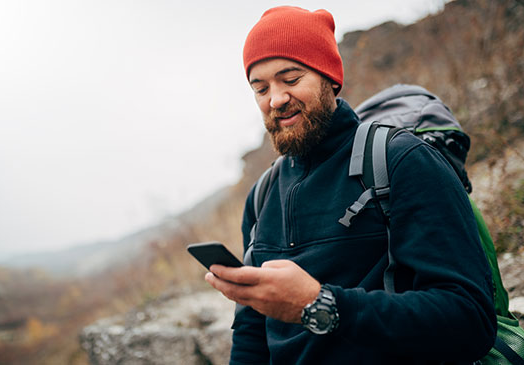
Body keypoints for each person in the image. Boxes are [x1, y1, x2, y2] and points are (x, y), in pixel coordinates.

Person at [205, 6, 497, 364]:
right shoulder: (262, 195)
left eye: (291, 79)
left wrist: (320, 304)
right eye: (260, 87)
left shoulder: (401, 160)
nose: (276, 99)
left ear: (329, 77)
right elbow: (253, 333)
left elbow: (470, 319)